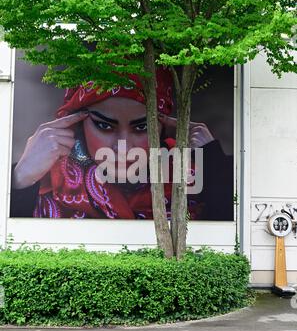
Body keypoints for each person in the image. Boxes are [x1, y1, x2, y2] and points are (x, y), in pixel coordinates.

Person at [10, 67, 233, 220]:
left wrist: (213, 164)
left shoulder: (195, 173)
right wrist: (20, 179)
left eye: (142, 127)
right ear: (76, 124)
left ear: (164, 125)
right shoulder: (46, 176)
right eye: (105, 126)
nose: (123, 146)